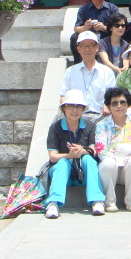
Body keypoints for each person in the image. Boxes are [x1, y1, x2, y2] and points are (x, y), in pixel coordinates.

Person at [43, 89, 106, 219]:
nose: (75, 110)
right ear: (64, 108)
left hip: (83, 173)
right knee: (62, 163)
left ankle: (97, 200)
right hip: (62, 172)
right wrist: (69, 156)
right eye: (71, 106)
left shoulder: (90, 126)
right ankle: (53, 203)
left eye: (79, 107)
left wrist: (82, 151)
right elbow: (53, 156)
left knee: (89, 159)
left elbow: (94, 150)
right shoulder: (55, 128)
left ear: (83, 109)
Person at [94, 87, 131, 212]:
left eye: (122, 102)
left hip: (128, 170)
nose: (119, 106)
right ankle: (109, 202)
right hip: (110, 170)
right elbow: (102, 151)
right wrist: (124, 154)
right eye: (114, 103)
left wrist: (121, 153)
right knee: (108, 163)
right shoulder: (102, 125)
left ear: (128, 104)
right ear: (109, 106)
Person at [59, 31, 117, 120]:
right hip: (76, 118)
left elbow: (113, 97)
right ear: (78, 49)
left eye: (91, 46)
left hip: (101, 117)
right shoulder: (70, 72)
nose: (87, 49)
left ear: (97, 48)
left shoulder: (107, 72)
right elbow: (63, 96)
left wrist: (107, 106)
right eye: (83, 46)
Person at [69, 0, 119, 64]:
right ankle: (78, 64)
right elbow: (76, 28)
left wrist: (105, 28)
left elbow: (118, 28)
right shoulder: (83, 9)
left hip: (105, 37)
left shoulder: (112, 9)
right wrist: (85, 27)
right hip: (88, 38)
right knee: (74, 37)